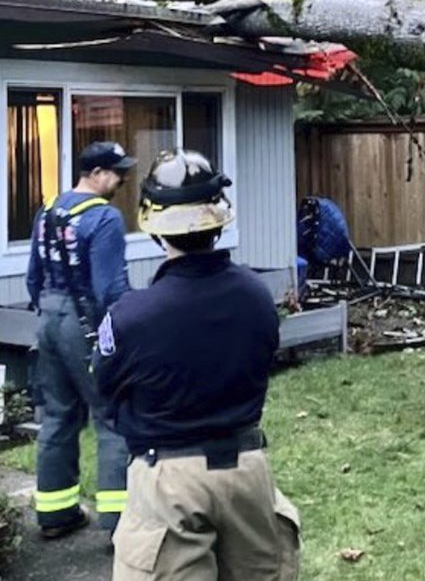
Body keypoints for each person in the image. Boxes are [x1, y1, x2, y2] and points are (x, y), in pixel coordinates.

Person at [94, 148, 301, 581]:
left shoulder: (131, 317)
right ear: (218, 221)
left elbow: (108, 394)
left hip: (167, 480)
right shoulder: (257, 297)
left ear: (153, 228)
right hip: (246, 471)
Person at [25, 141, 135, 539]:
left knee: (57, 415)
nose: (122, 179)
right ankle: (119, 524)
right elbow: (111, 289)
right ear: (96, 174)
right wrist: (127, 328)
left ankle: (55, 515)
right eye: (118, 173)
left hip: (49, 317)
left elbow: (33, 276)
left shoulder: (48, 212)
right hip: (85, 322)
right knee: (112, 417)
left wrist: (50, 311)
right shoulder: (105, 219)